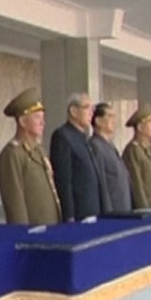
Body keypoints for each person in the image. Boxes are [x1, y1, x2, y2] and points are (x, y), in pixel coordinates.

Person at [0, 89, 61, 225]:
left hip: (50, 224)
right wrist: (22, 233)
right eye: (37, 117)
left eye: (43, 118)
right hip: (33, 229)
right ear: (23, 122)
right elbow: (15, 202)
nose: (42, 123)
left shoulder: (39, 150)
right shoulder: (12, 154)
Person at [50, 93, 103, 221]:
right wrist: (69, 216)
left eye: (93, 109)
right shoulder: (63, 136)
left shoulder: (82, 136)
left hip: (92, 210)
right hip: (79, 213)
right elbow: (64, 180)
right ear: (73, 111)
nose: (91, 113)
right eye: (87, 108)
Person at [89, 102, 132, 212]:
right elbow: (102, 182)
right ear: (98, 121)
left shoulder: (109, 144)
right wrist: (108, 211)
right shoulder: (95, 145)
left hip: (123, 205)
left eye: (114, 116)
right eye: (109, 116)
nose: (114, 120)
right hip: (113, 209)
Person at [122, 105, 151, 209]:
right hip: (147, 208)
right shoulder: (133, 150)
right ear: (140, 127)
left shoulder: (148, 148)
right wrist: (143, 209)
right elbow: (137, 184)